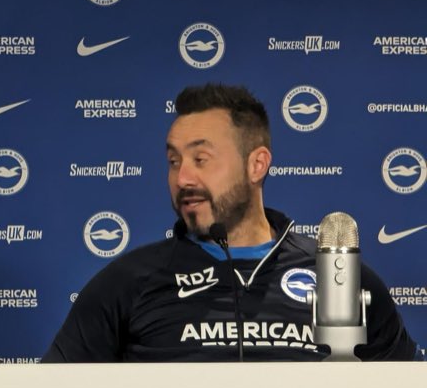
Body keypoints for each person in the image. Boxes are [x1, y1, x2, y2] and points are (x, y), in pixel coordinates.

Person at [43, 83, 420, 362]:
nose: (183, 178)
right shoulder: (127, 283)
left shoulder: (340, 278)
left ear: (256, 164)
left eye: (201, 159)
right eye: (174, 161)